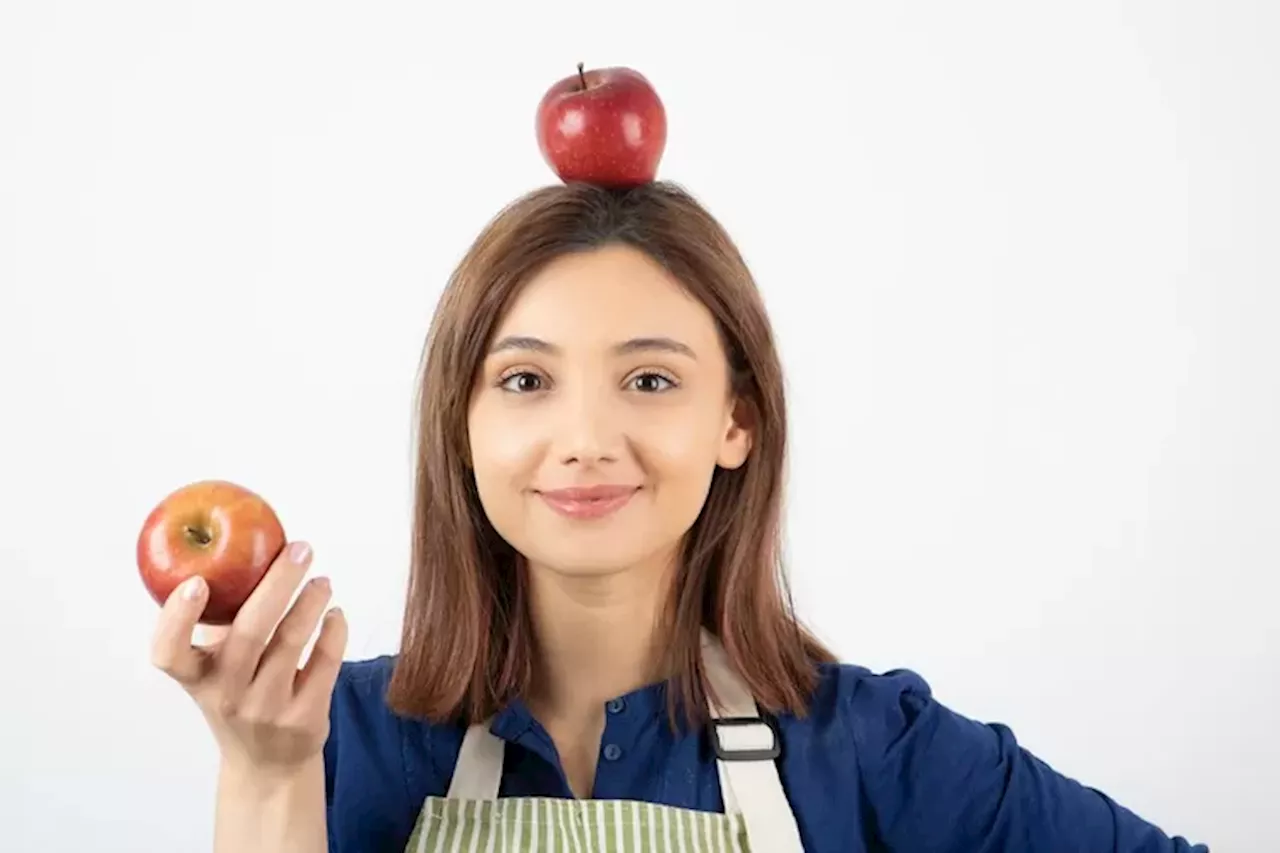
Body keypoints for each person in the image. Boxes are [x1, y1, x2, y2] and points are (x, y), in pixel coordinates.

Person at [151, 180, 1210, 852]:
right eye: (524, 382)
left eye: (649, 381)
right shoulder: (342, 736)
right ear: (459, 426)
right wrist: (265, 772)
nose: (584, 438)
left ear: (734, 420)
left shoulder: (875, 751)